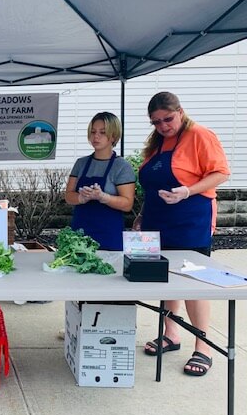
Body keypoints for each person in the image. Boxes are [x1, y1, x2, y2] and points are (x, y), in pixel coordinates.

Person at [135, 92, 230, 376]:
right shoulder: (158, 144)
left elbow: (221, 173)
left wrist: (187, 191)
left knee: (193, 282)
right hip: (157, 221)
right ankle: (171, 334)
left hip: (189, 220)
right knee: (164, 278)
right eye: (156, 122)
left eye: (168, 119)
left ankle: (203, 347)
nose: (163, 126)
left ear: (181, 112)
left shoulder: (200, 135)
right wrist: (141, 215)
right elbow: (151, 187)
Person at [65, 111, 136, 250]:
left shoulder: (121, 166)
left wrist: (104, 197)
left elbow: (127, 204)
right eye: (93, 132)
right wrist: (81, 198)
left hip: (109, 237)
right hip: (79, 236)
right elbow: (68, 196)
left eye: (102, 132)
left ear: (113, 136)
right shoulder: (81, 163)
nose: (96, 136)